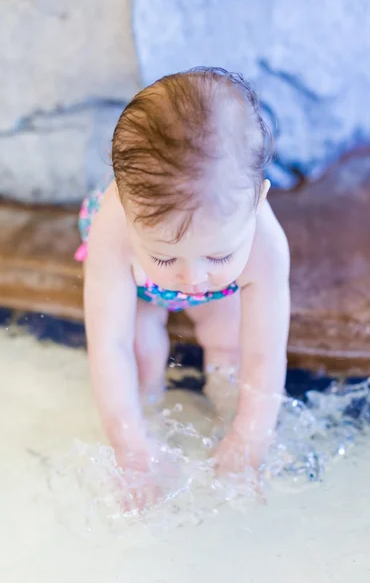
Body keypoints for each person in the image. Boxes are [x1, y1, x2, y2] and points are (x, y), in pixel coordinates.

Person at [76, 67, 290, 494]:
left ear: (258, 200)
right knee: (139, 348)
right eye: (167, 255)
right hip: (136, 277)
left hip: (176, 264)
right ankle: (150, 415)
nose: (192, 279)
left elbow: (266, 354)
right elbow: (108, 346)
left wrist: (249, 440)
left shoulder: (265, 244)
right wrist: (131, 450)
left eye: (218, 253)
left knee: (230, 345)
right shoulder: (114, 229)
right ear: (125, 205)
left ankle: (222, 418)